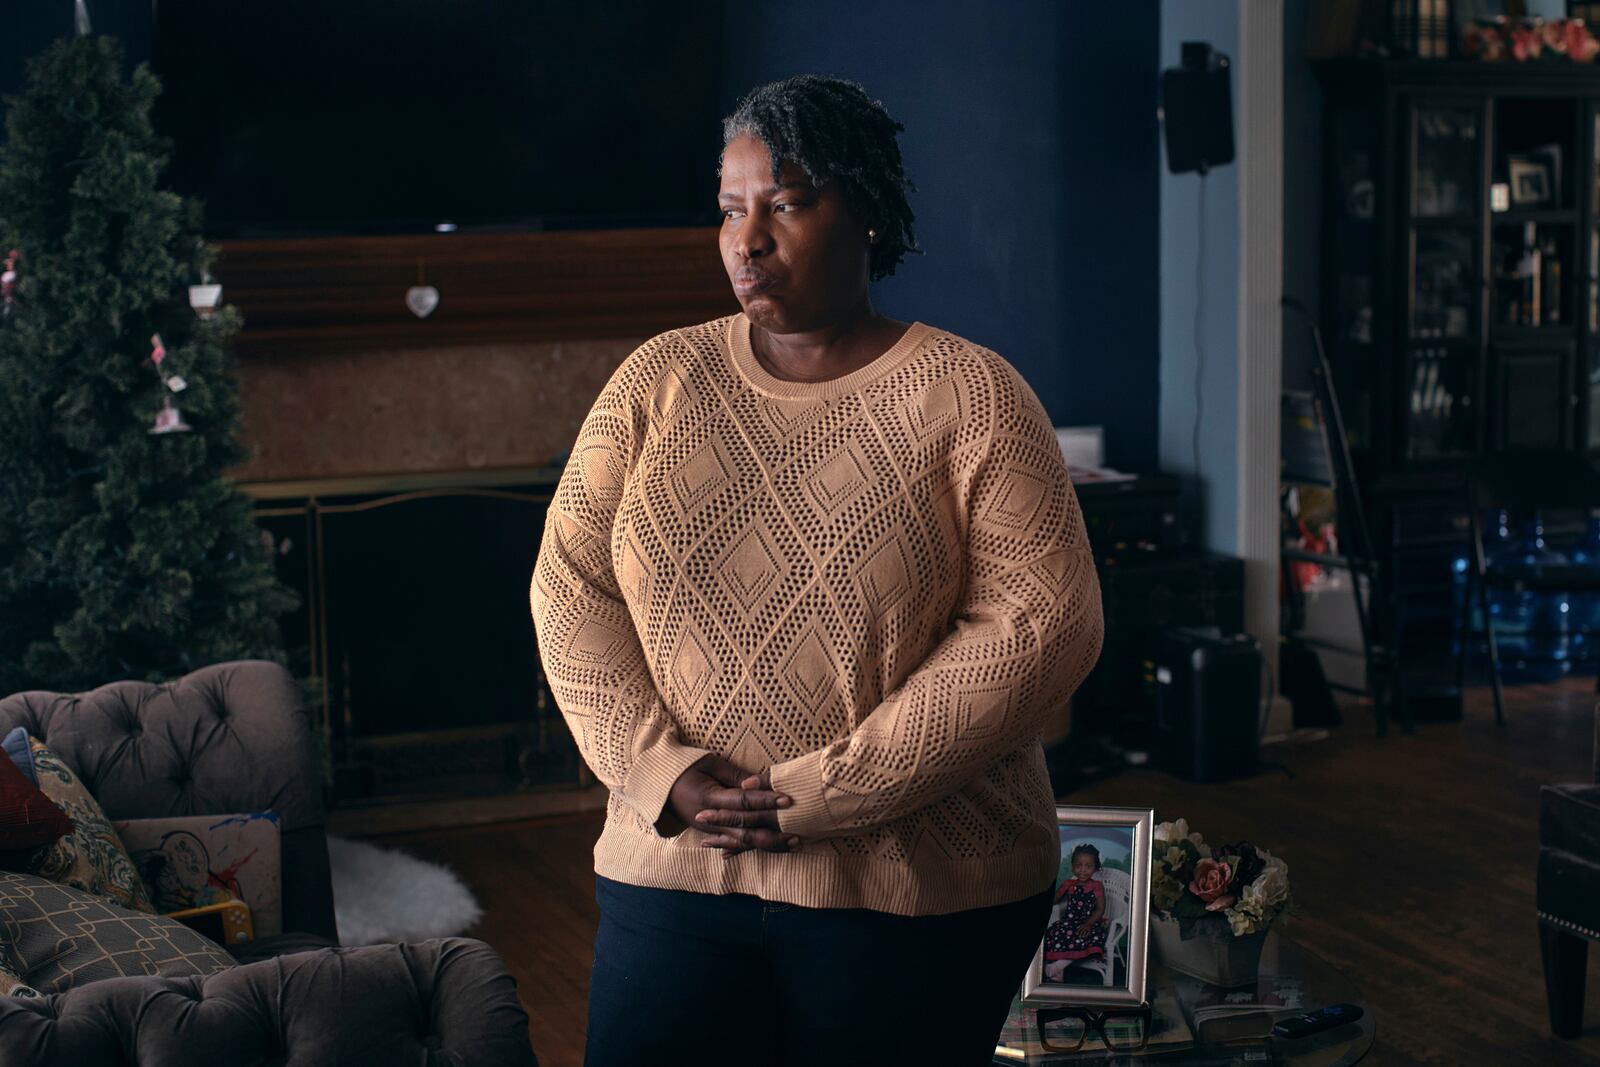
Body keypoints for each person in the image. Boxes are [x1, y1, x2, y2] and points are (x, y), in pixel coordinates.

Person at [530, 74, 1104, 1067]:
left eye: (787, 204)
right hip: (675, 868)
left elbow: (1041, 625)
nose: (747, 239)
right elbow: (569, 580)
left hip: (915, 894)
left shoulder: (972, 396)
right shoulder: (657, 381)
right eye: (729, 208)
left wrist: (817, 793)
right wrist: (655, 768)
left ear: (869, 214)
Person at [1043, 844, 1109, 982]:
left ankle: (1057, 966)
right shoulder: (1069, 884)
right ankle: (1058, 972)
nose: (1082, 870)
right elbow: (1055, 900)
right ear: (1072, 865)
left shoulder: (1096, 886)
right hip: (1069, 923)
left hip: (1089, 923)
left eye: (1088, 866)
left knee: (1083, 937)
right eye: (1078, 865)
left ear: (1095, 868)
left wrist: (1089, 923)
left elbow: (1100, 909)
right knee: (1054, 933)